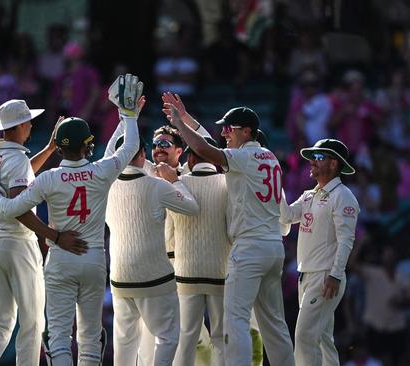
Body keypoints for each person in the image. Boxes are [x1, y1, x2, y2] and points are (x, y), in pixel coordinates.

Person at [0, 74, 143, 366]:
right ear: (88, 145)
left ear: (58, 148)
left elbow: (12, 209)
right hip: (93, 256)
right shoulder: (101, 171)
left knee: (58, 335)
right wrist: (128, 115)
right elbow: (129, 147)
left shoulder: (48, 179)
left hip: (60, 258)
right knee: (91, 335)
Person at [166, 104, 295, 366]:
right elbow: (212, 145)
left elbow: (204, 150)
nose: (225, 133)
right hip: (273, 247)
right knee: (275, 325)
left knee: (234, 320)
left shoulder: (244, 158)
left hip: (249, 249)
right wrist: (186, 117)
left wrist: (179, 124)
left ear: (247, 131)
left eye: (229, 129)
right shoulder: (269, 157)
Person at [0, 99, 85, 366]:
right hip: (17, 245)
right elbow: (19, 208)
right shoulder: (17, 159)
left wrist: (48, 149)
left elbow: (21, 177)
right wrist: (54, 236)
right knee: (33, 322)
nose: (31, 125)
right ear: (20, 125)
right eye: (28, 121)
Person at [105, 135, 199, 365]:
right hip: (154, 277)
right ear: (142, 155)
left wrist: (127, 116)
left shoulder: (104, 185)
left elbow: (109, 153)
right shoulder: (157, 186)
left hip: (119, 278)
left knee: (125, 342)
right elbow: (192, 208)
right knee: (167, 336)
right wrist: (174, 181)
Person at [279, 138, 360, 365]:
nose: (311, 162)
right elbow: (286, 217)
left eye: (318, 157)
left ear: (334, 164)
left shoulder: (343, 196)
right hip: (307, 276)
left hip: (325, 276)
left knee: (305, 336)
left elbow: (346, 240)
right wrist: (276, 184)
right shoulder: (309, 195)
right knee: (323, 339)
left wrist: (335, 274)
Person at [166, 136, 229, 366]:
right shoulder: (226, 183)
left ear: (190, 158)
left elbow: (169, 234)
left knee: (186, 338)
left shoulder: (177, 184)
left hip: (186, 272)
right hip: (220, 272)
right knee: (221, 338)